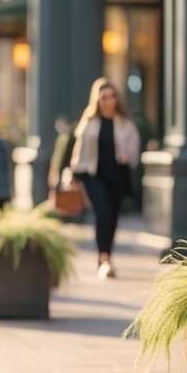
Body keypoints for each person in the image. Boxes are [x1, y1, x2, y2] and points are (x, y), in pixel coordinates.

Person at [70, 78, 141, 279]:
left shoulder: (126, 123)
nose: (109, 100)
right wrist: (73, 171)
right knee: (103, 213)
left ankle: (106, 255)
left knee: (113, 217)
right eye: (104, 97)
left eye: (112, 96)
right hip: (93, 175)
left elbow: (135, 149)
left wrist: (128, 156)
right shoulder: (90, 121)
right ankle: (104, 258)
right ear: (97, 99)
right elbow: (79, 148)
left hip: (117, 176)